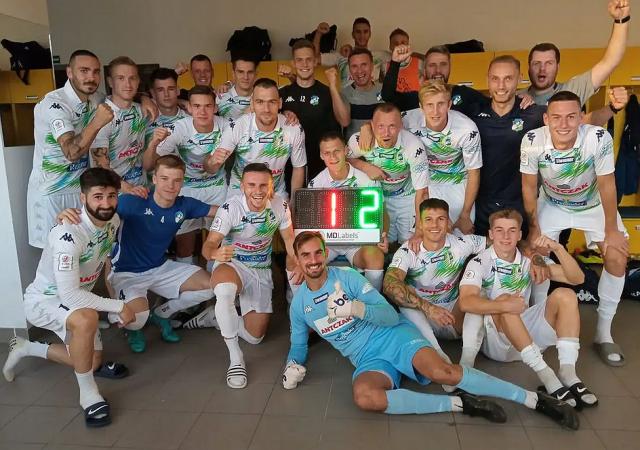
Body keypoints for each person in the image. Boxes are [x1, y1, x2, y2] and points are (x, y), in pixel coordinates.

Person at [283, 231, 578, 429]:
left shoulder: (346, 278)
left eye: (318, 253)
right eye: (306, 255)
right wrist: (291, 366)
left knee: (443, 373)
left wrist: (355, 308)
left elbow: (388, 315)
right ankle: (460, 404)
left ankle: (533, 399)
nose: (313, 261)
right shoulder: (300, 306)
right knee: (365, 398)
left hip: (393, 336)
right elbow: (298, 344)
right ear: (297, 259)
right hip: (368, 359)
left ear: (326, 253)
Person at [4, 168, 134, 427]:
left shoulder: (114, 221)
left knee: (90, 361)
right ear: (83, 198)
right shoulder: (68, 234)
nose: (106, 204)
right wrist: (119, 305)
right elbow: (70, 296)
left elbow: (102, 260)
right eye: (98, 197)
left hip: (76, 298)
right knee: (87, 319)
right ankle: (89, 396)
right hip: (45, 301)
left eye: (111, 196)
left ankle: (26, 348)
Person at [51, 156, 218, 352]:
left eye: (176, 180)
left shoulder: (185, 205)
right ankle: (134, 329)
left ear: (182, 182)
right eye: (164, 178)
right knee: (137, 319)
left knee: (212, 286)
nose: (170, 185)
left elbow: (222, 211)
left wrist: (247, 208)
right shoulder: (132, 202)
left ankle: (162, 314)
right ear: (154, 179)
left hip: (160, 267)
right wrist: (65, 215)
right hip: (127, 272)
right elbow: (97, 212)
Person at [521, 90, 629, 366]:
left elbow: (607, 184)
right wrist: (534, 228)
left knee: (616, 257)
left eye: (571, 117)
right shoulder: (532, 140)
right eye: (556, 117)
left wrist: (611, 230)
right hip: (553, 204)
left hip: (593, 204)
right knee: (537, 254)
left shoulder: (597, 137)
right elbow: (529, 187)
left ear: (581, 118)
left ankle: (603, 334)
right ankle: (538, 325)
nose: (564, 124)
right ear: (546, 119)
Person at [458, 209, 597, 408]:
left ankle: (568, 372)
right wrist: (505, 304)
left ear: (520, 235)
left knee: (566, 295)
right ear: (491, 234)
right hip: (498, 340)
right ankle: (547, 376)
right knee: (506, 301)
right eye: (499, 230)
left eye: (512, 230)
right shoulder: (480, 262)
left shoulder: (531, 260)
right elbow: (466, 302)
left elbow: (577, 279)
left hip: (527, 335)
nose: (506, 236)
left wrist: (558, 249)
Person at [202, 163, 302, 388]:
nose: (257, 190)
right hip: (232, 263)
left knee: (255, 337)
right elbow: (208, 246)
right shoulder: (230, 207)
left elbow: (289, 239)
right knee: (224, 291)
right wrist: (215, 253)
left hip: (260, 268)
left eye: (263, 185)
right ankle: (236, 358)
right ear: (242, 186)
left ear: (271, 186)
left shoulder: (280, 205)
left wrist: (298, 261)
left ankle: (214, 317)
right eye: (251, 185)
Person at [27, 50, 114, 248]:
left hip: (80, 189)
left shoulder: (96, 98)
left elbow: (119, 98)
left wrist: (145, 99)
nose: (91, 77)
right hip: (51, 192)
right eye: (84, 71)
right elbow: (71, 152)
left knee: (85, 250)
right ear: (69, 72)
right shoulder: (54, 104)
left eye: (96, 72)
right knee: (57, 254)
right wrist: (97, 122)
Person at [383, 198, 486, 363]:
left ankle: (467, 362)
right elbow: (389, 285)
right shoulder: (408, 250)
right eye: (428, 219)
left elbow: (500, 243)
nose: (435, 225)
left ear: (448, 222)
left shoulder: (461, 243)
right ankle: (438, 355)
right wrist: (429, 308)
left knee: (479, 293)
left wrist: (528, 250)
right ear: (420, 224)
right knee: (403, 292)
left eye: (441, 219)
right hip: (422, 316)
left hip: (454, 317)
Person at [143, 86, 228, 266]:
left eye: (207, 106)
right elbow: (149, 165)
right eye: (197, 106)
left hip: (217, 187)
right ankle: (188, 279)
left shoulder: (227, 126)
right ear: (189, 107)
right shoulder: (179, 128)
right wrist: (153, 145)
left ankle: (213, 279)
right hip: (187, 188)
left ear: (215, 107)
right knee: (184, 242)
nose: (202, 112)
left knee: (217, 241)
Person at [466, 55, 547, 237]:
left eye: (508, 78)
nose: (501, 86)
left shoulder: (533, 114)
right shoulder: (473, 111)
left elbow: (573, 121)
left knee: (521, 253)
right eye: (495, 79)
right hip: (481, 205)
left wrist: (611, 108)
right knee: (481, 253)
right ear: (488, 79)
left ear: (519, 79)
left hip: (520, 204)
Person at [307, 131, 387, 291]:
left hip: (357, 243)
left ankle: (373, 300)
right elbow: (310, 226)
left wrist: (382, 234)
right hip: (328, 244)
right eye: (327, 153)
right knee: (300, 258)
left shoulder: (366, 179)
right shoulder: (316, 184)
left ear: (345, 150)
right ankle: (302, 301)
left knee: (376, 256)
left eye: (336, 151)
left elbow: (383, 213)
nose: (332, 157)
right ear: (321, 155)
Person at [402, 81, 482, 232]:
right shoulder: (407, 120)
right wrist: (367, 128)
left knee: (459, 238)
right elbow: (384, 124)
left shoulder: (467, 128)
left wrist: (465, 214)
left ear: (449, 105)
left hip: (458, 184)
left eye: (441, 104)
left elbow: (474, 172)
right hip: (425, 185)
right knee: (426, 236)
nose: (435, 111)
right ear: (420, 107)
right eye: (429, 105)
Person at [347, 103, 429, 245]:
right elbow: (343, 160)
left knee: (411, 243)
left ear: (401, 126)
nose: (386, 133)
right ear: (372, 126)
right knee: (380, 243)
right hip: (379, 199)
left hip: (407, 197)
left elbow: (422, 191)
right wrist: (365, 166)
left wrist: (419, 230)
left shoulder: (413, 146)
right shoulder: (360, 139)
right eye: (381, 126)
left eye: (392, 126)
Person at [212, 78, 307, 200]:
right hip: (240, 194)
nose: (266, 109)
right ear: (252, 104)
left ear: (280, 103)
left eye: (272, 102)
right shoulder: (238, 126)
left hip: (275, 193)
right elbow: (211, 167)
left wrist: (294, 202)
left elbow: (298, 167)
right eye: (260, 102)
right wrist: (212, 161)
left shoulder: (294, 128)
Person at [522, 0, 630, 106]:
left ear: (557, 67)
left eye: (549, 63)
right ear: (529, 67)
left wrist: (621, 20)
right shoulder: (517, 97)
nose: (542, 69)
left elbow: (610, 62)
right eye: (536, 63)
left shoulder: (572, 90)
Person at [279, 40, 341, 179]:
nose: (305, 64)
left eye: (309, 59)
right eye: (299, 60)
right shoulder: (283, 93)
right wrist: (283, 113)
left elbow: (342, 123)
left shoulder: (327, 93)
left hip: (321, 164)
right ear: (293, 63)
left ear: (315, 62)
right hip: (289, 166)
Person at [90, 56, 150, 196]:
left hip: (143, 190)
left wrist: (146, 98)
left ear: (138, 81)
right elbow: (101, 166)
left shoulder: (144, 110)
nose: (128, 84)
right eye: (121, 78)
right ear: (110, 82)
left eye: (132, 78)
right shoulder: (103, 115)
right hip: (115, 194)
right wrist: (128, 188)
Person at [382, 45, 489, 114]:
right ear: (424, 70)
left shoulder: (465, 94)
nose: (438, 70)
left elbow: (493, 106)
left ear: (450, 67)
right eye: (432, 65)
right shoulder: (416, 98)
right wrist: (395, 63)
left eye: (443, 64)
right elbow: (388, 96)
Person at [314, 18, 389, 86]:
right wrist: (319, 33)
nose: (362, 35)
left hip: (372, 96)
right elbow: (315, 59)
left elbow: (396, 55)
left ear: (370, 34)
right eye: (358, 32)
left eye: (365, 32)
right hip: (347, 96)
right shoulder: (343, 54)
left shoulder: (380, 56)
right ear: (353, 34)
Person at [329, 48, 383, 139]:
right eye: (354, 66)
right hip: (354, 147)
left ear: (372, 66)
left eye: (364, 65)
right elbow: (344, 121)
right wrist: (332, 86)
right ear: (349, 69)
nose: (359, 71)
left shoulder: (384, 90)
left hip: (381, 146)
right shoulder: (344, 93)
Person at [146, 68, 189, 141]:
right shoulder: (143, 119)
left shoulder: (190, 120)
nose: (166, 94)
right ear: (153, 93)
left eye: (171, 89)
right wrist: (143, 98)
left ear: (178, 90)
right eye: (160, 90)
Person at [384, 28, 422, 93]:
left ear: (408, 45)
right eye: (396, 43)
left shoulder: (420, 63)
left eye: (403, 43)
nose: (400, 46)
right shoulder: (384, 67)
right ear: (390, 46)